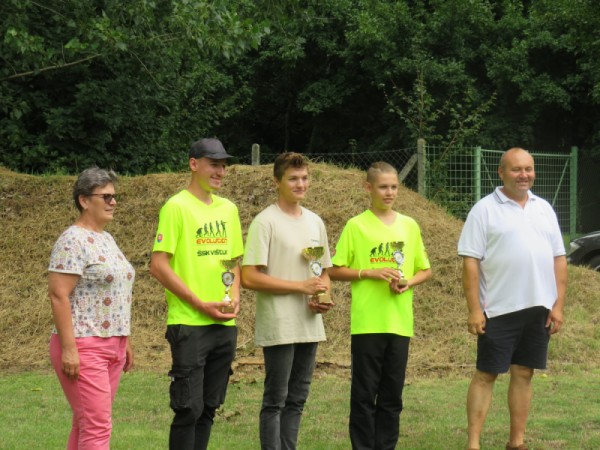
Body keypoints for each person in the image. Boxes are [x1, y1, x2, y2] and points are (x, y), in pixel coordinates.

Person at [458, 147, 568, 450]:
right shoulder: (483, 209)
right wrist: (474, 309)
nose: (524, 175)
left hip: (538, 308)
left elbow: (559, 258)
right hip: (498, 309)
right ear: (501, 172)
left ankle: (516, 442)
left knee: (524, 373)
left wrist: (557, 304)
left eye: (529, 169)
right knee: (486, 374)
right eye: (517, 169)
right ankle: (473, 444)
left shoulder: (544, 208)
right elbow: (470, 262)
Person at [328, 161, 432, 450]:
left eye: (394, 187)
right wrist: (368, 272)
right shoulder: (356, 225)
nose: (389, 193)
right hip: (367, 323)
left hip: (399, 324)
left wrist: (408, 282)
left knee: (392, 396)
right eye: (383, 187)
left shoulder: (409, 226)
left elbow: (425, 270)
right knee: (363, 395)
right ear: (368, 188)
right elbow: (334, 270)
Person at [149, 138, 243, 450]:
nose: (220, 170)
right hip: (189, 323)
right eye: (213, 163)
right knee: (188, 408)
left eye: (223, 164)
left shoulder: (229, 210)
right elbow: (158, 266)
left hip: (223, 324)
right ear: (193, 164)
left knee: (209, 408)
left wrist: (236, 296)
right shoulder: (176, 207)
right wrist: (199, 303)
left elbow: (234, 262)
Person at [241, 152, 334, 450]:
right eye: (293, 178)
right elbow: (249, 277)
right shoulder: (265, 222)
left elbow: (325, 272)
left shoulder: (315, 222)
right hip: (280, 323)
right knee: (276, 400)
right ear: (277, 182)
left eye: (305, 178)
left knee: (298, 398)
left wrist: (322, 296)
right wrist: (299, 287)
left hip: (309, 322)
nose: (300, 184)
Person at [48, 167, 135, 450]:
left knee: (86, 422)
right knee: (97, 426)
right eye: (106, 196)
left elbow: (116, 291)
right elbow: (58, 295)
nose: (113, 202)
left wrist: (125, 339)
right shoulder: (72, 240)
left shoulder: (106, 238)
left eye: (114, 196)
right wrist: (69, 348)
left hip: (113, 346)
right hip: (85, 345)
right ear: (84, 200)